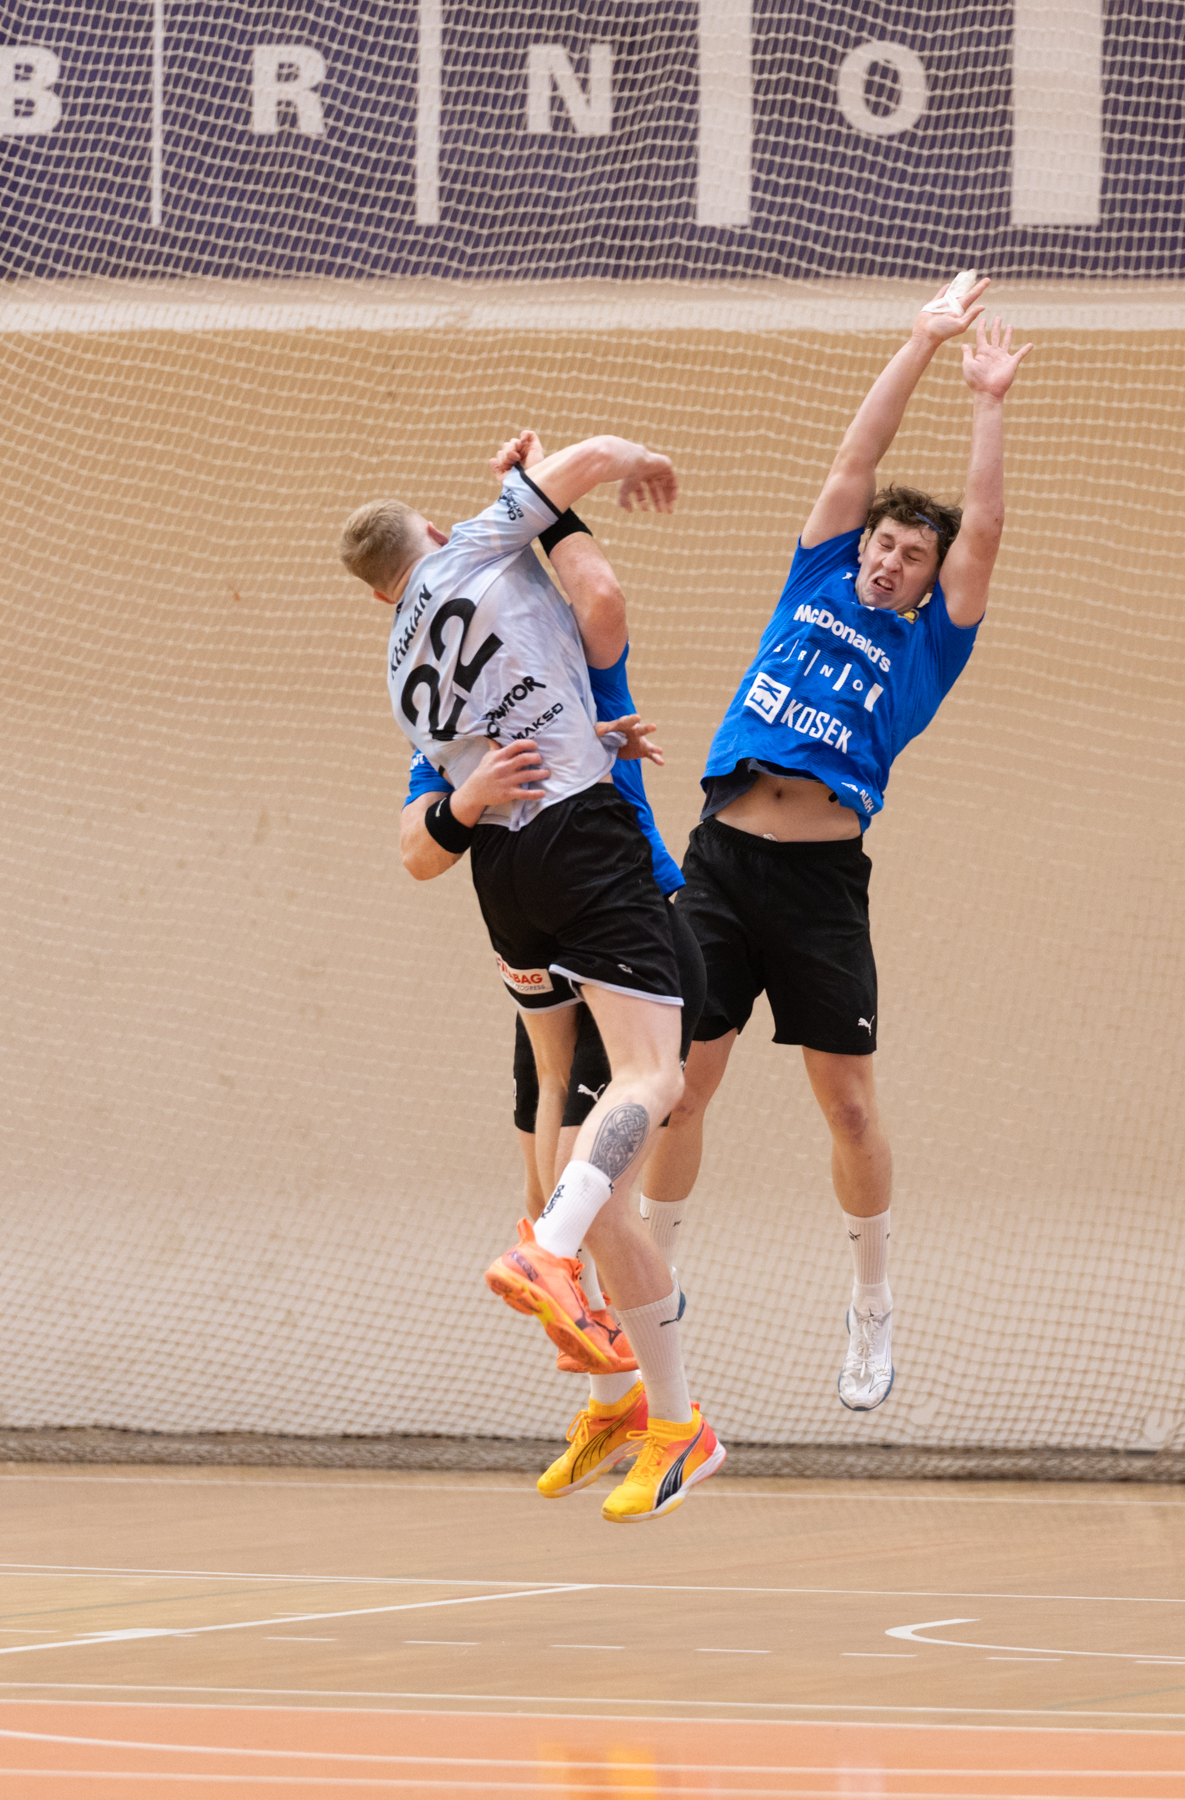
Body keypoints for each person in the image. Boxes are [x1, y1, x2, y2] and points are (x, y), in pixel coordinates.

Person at [648, 279, 1031, 1412]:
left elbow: (983, 532)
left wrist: (986, 402)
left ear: (925, 581)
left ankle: (870, 1307)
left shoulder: (926, 647)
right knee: (679, 1088)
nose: (889, 560)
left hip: (818, 881)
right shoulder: (816, 570)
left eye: (911, 556)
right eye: (883, 543)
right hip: (720, 862)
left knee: (849, 1104)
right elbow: (854, 459)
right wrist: (919, 343)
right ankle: (649, 1277)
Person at [342, 434, 724, 1524]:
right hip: (577, 860)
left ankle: (634, 1395)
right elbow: (590, 509)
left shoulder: (410, 681)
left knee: (598, 1161)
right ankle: (628, 1374)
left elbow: (590, 615)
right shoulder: (481, 558)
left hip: (537, 874)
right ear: (435, 536)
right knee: (621, 1123)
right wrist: (619, 461)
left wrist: (581, 738)